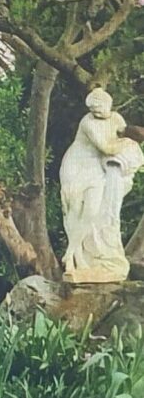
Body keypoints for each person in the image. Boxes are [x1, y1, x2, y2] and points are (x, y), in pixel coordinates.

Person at [60, 87, 144, 283]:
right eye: (93, 110)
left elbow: (122, 131)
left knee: (92, 211)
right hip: (78, 168)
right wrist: (128, 142)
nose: (97, 113)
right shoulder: (88, 123)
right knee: (77, 212)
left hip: (98, 170)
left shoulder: (116, 118)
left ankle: (71, 253)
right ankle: (74, 258)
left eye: (100, 109)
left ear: (109, 104)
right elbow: (107, 148)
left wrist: (133, 135)